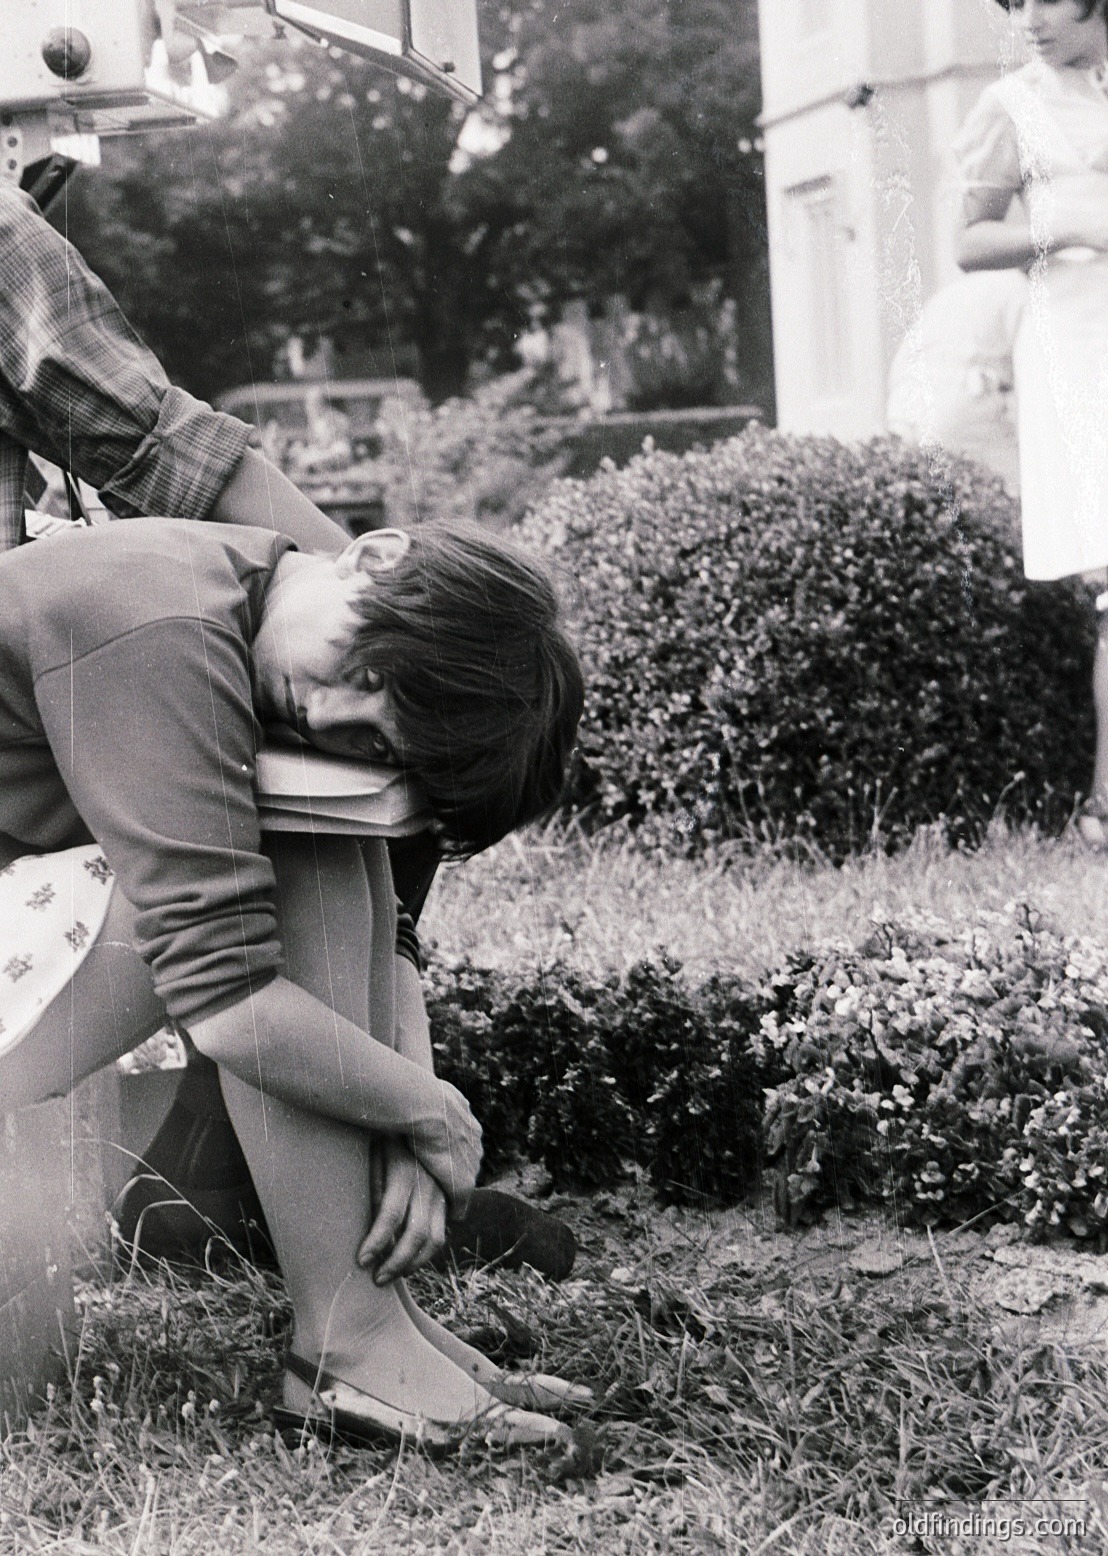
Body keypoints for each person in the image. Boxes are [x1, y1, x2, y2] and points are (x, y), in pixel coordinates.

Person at [0, 513, 586, 1447]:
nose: (331, 716)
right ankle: (347, 1343)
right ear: (376, 555)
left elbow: (382, 924)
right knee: (275, 872)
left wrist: (406, 1104)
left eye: (382, 748)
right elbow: (226, 1002)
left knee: (321, 835)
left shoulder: (237, 596)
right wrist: (427, 1111)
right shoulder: (162, 624)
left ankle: (363, 1325)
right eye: (369, 677)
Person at [954, 0, 1108, 839]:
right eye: (1016, 3)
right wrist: (1075, 222)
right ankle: (1103, 810)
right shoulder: (1012, 102)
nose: (1031, 19)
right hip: (1086, 350)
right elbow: (969, 239)